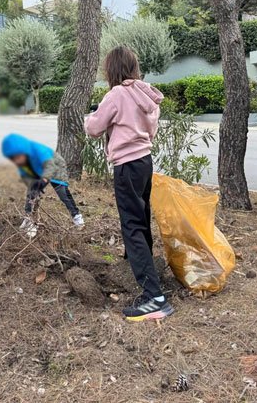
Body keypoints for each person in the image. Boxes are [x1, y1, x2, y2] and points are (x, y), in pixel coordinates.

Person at [84, 46, 173, 322]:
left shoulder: (116, 95)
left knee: (132, 226)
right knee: (140, 220)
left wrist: (90, 117)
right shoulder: (147, 93)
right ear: (134, 67)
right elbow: (151, 130)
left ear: (112, 69)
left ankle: (154, 298)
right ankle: (137, 270)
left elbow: (94, 128)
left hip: (126, 165)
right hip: (144, 162)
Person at [2, 133, 85, 238]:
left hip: (55, 166)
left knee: (63, 193)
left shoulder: (37, 149)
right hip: (40, 170)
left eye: (18, 156)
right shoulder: (22, 159)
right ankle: (29, 217)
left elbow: (50, 165)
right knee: (32, 192)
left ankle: (77, 217)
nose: (17, 160)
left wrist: (44, 180)